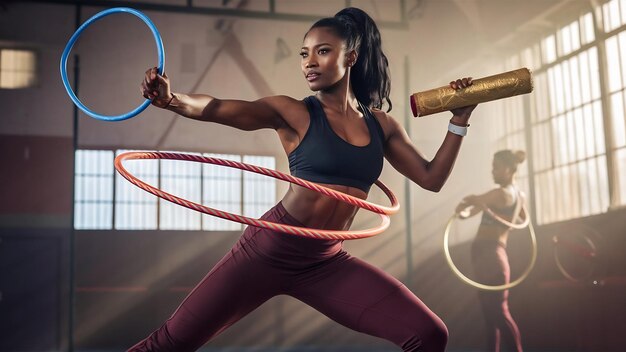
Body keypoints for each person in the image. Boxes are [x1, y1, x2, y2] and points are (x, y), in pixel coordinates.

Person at [133, 7, 476, 352]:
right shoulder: (293, 112)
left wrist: (459, 119)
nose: (309, 62)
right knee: (167, 346)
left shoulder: (382, 125)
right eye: (304, 54)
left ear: (351, 57)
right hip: (267, 251)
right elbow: (214, 107)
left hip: (325, 261)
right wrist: (172, 100)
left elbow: (431, 178)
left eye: (322, 51)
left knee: (430, 333)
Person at [455, 149, 527, 352]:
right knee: (490, 315)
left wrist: (467, 206)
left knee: (498, 312)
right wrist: (465, 212)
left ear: (509, 169)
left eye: (496, 167)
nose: (492, 171)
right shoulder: (518, 195)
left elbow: (473, 201)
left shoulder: (501, 193)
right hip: (489, 254)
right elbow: (520, 219)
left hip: (491, 255)